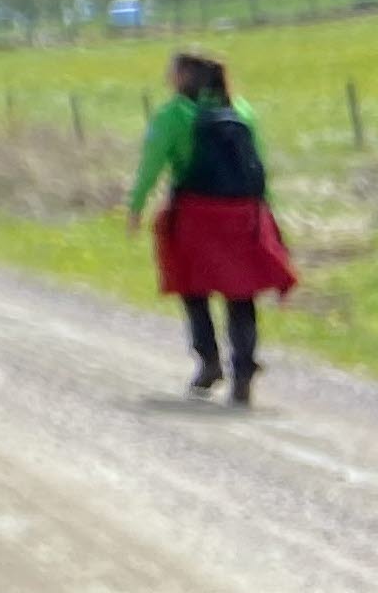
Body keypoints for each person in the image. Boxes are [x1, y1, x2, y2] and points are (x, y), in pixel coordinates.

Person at [126, 50, 296, 405]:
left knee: (193, 287)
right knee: (240, 293)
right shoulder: (242, 110)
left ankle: (209, 361)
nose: (166, 76)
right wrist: (267, 211)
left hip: (196, 212)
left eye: (170, 70)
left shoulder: (173, 114)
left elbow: (152, 163)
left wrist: (136, 207)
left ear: (184, 76)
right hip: (243, 212)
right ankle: (244, 370)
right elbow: (258, 164)